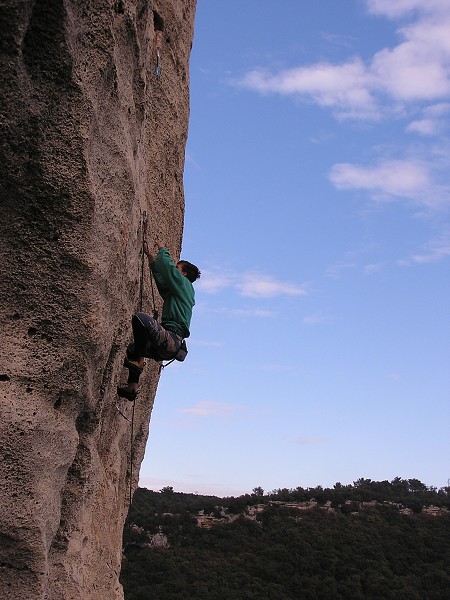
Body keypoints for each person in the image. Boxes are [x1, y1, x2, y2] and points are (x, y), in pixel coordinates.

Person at [117, 242, 201, 401]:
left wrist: (163, 249)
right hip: (167, 346)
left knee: (140, 319)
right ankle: (132, 387)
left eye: (178, 268)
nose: (175, 270)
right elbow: (163, 284)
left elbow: (168, 269)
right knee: (133, 349)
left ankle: (137, 362)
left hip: (171, 339)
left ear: (183, 274)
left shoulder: (186, 286)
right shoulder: (178, 292)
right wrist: (151, 259)